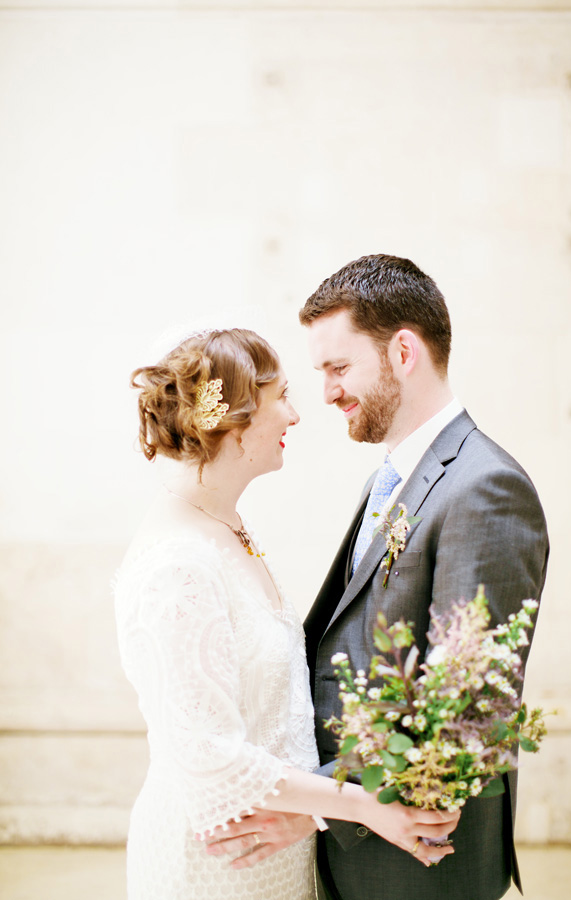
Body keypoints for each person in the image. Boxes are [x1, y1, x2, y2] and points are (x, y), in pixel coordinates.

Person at [208, 257, 549, 900]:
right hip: (360, 842)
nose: (328, 392)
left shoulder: (485, 489)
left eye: (338, 368)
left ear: (402, 351)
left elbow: (467, 707)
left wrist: (317, 805)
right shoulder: (391, 478)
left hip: (417, 857)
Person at [114, 327, 459, 900]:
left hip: (275, 854)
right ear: (233, 419)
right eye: (281, 398)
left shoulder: (225, 524)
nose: (296, 416)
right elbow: (207, 756)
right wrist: (366, 805)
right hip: (215, 863)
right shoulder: (177, 565)